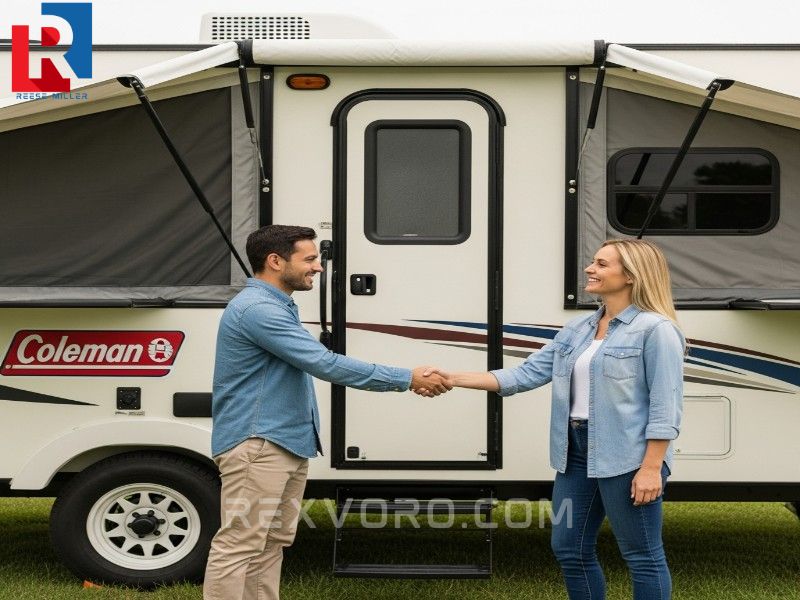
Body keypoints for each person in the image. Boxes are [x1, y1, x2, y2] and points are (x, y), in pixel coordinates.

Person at [418, 239, 684, 600]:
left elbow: (665, 405)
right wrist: (451, 377)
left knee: (642, 555)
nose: (590, 269)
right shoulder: (578, 329)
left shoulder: (656, 329)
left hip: (628, 456)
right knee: (569, 548)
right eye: (593, 262)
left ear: (631, 276)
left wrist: (651, 468)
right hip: (575, 453)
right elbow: (524, 374)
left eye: (602, 264)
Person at [203, 225, 450, 600]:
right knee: (240, 544)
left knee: (270, 543)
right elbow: (325, 364)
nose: (318, 267)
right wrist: (406, 378)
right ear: (275, 261)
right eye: (310, 259)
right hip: (260, 444)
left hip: (283, 443)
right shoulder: (258, 310)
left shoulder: (275, 306)